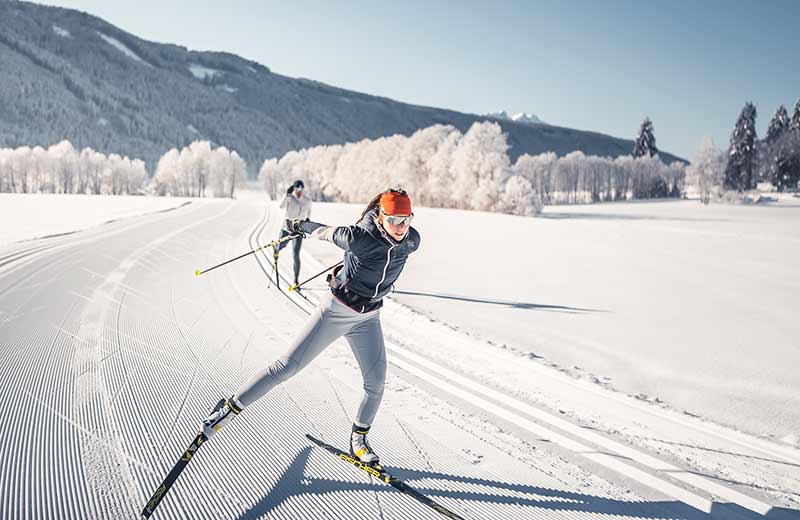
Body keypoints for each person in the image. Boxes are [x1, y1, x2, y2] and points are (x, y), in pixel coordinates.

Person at [200, 188, 420, 465]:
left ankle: (358, 440)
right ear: (380, 216)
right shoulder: (359, 237)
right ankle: (228, 408)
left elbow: (385, 261)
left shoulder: (412, 240)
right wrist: (298, 226)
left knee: (376, 383)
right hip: (337, 311)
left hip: (368, 318)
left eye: (406, 219)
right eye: (394, 220)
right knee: (287, 367)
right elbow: (325, 231)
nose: (401, 227)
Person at [277, 179, 312, 287]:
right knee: (280, 246)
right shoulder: (289, 198)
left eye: (301, 189)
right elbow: (280, 206)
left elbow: (309, 213)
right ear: (294, 189)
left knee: (295, 255)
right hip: (286, 229)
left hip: (297, 231)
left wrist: (307, 222)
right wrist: (286, 194)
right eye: (297, 189)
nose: (299, 192)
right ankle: (276, 250)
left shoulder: (307, 200)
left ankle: (296, 280)